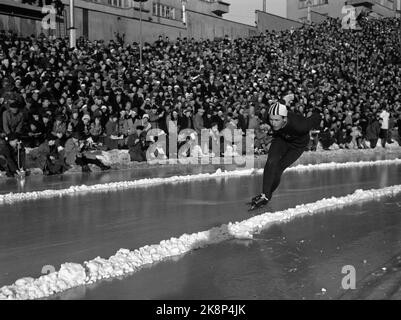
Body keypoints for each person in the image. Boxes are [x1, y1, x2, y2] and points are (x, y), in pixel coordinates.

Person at [249, 102, 321, 211]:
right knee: (271, 162)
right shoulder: (269, 116)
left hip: (297, 145)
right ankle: (265, 195)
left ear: (285, 118)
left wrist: (317, 111)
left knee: (278, 168)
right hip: (282, 139)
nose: (273, 123)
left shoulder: (300, 125)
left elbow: (316, 117)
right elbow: (277, 104)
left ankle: (267, 196)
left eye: (277, 120)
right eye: (271, 120)